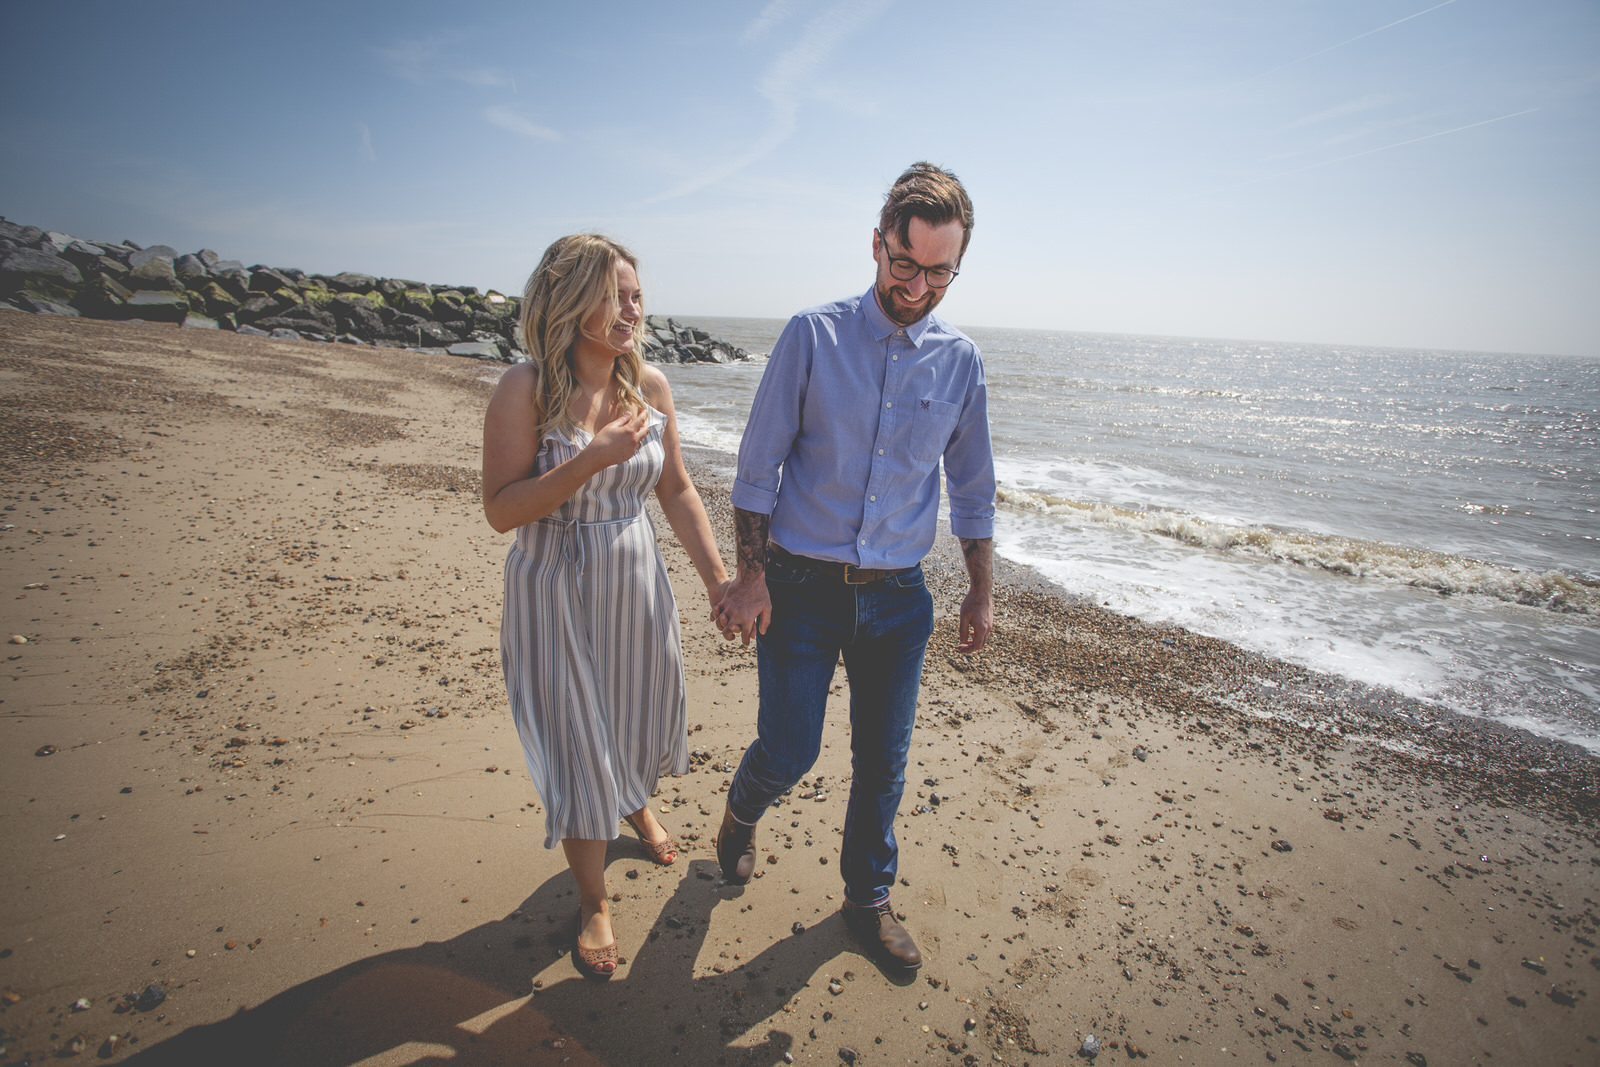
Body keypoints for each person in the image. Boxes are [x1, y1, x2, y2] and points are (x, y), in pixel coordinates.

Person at [713, 163, 995, 974]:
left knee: (883, 761)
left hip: (901, 601)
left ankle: (866, 898)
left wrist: (979, 590)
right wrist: (751, 573)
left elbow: (972, 486)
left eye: (940, 271)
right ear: (877, 245)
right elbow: (758, 465)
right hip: (798, 589)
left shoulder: (960, 361)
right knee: (791, 748)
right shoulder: (813, 334)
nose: (919, 285)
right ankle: (740, 813)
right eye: (905, 263)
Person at [482, 233, 729, 981]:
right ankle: (593, 899)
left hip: (635, 584)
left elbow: (677, 488)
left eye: (636, 295)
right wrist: (591, 457)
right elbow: (501, 509)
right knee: (574, 741)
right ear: (569, 298)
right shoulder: (523, 390)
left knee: (631, 717)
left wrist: (719, 581)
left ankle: (635, 804)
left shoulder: (649, 385)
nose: (632, 308)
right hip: (553, 588)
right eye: (615, 293)